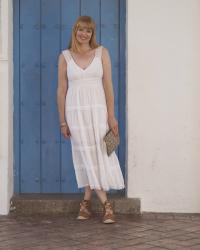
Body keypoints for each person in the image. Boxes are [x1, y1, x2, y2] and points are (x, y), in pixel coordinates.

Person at [57, 16, 125, 224]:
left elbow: (108, 86)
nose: (83, 34)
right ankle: (106, 206)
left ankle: (86, 202)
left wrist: (111, 115)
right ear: (75, 31)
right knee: (84, 154)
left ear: (92, 33)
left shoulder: (101, 53)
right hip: (75, 113)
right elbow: (61, 90)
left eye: (88, 30)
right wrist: (63, 121)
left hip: (98, 112)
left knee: (102, 153)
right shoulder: (65, 57)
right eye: (80, 29)